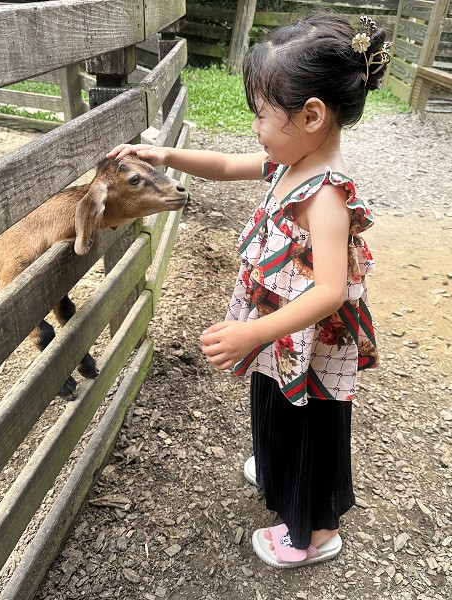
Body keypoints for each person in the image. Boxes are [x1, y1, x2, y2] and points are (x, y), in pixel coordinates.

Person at [108, 13, 388, 568]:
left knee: (308, 424)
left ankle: (313, 534)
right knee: (277, 409)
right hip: (283, 337)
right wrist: (166, 156)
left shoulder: (324, 197)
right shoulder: (290, 162)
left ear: (311, 115)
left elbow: (330, 290)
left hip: (306, 343)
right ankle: (277, 464)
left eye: (260, 115)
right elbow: (228, 164)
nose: (255, 128)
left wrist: (254, 331)